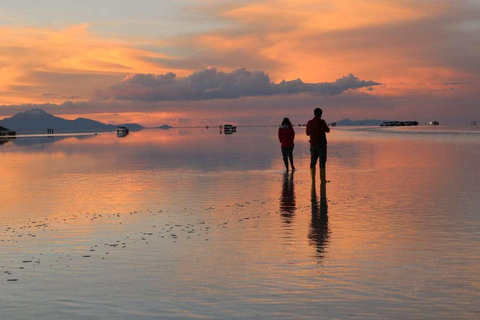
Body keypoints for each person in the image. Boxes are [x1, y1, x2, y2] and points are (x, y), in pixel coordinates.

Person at [306, 108, 330, 182]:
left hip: (313, 144)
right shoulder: (322, 122)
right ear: (321, 114)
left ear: (314, 113)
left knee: (313, 162)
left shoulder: (309, 122)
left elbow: (307, 133)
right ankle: (322, 179)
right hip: (321, 145)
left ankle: (313, 180)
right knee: (322, 162)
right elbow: (328, 130)